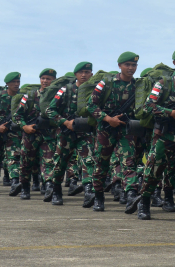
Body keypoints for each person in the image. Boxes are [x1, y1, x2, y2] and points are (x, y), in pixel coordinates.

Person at [126, 47, 175, 220]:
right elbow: (149, 105)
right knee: (153, 170)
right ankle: (144, 203)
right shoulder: (164, 83)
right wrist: (170, 113)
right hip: (164, 134)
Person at [87, 52, 140, 212]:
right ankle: (98, 196)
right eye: (127, 65)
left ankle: (131, 195)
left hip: (125, 129)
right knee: (101, 164)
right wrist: (107, 118)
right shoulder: (106, 83)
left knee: (129, 162)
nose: (131, 68)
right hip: (105, 130)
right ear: (120, 66)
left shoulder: (137, 86)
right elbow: (91, 106)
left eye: (134, 65)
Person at [44, 62, 96, 206]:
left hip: (85, 133)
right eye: (81, 72)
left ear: (91, 74)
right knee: (60, 162)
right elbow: (50, 110)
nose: (84, 75)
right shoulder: (65, 90)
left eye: (87, 72)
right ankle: (56, 191)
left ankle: (88, 191)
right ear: (76, 75)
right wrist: (64, 122)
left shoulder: (93, 90)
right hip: (66, 132)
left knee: (89, 161)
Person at [13, 68, 57, 200]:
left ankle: (49, 186)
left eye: (48, 79)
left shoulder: (56, 95)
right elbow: (17, 115)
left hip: (48, 134)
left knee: (48, 161)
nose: (45, 81)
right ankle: (25, 188)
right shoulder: (30, 96)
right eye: (43, 78)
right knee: (26, 162)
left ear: (54, 80)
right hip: (30, 134)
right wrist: (24, 126)